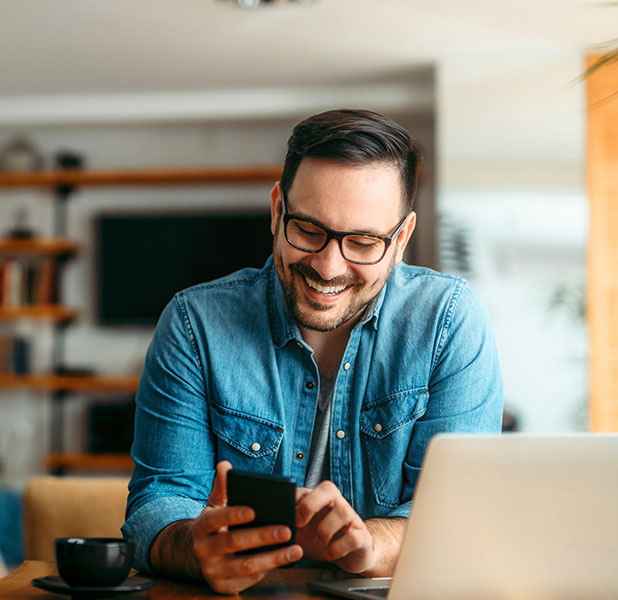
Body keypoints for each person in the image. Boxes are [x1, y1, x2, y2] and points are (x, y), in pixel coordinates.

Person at [121, 109, 503, 594]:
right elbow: (158, 504)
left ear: (401, 238)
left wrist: (370, 545)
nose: (328, 267)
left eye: (363, 242)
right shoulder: (194, 324)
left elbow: (461, 516)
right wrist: (195, 546)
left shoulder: (450, 321)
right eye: (308, 229)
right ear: (278, 209)